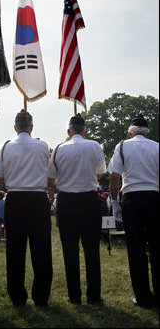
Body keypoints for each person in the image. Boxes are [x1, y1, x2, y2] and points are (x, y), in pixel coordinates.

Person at [0, 109, 53, 307]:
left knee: (15, 251)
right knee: (42, 250)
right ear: (32, 127)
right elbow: (50, 175)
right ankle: (41, 296)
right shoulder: (43, 146)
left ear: (15, 127)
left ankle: (17, 297)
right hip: (37, 198)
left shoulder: (6, 147)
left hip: (16, 198)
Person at [48, 114, 106, 305]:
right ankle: (94, 295)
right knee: (92, 250)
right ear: (85, 131)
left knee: (70, 251)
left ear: (68, 132)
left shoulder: (58, 149)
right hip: (89, 199)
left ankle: (74, 295)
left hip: (67, 200)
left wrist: (67, 180)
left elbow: (51, 179)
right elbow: (99, 174)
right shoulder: (95, 146)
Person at [108, 113, 159, 308]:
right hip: (155, 197)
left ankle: (143, 296)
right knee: (157, 249)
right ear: (148, 133)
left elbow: (114, 177)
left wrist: (114, 203)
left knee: (136, 250)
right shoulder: (157, 147)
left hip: (132, 198)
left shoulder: (122, 146)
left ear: (130, 133)